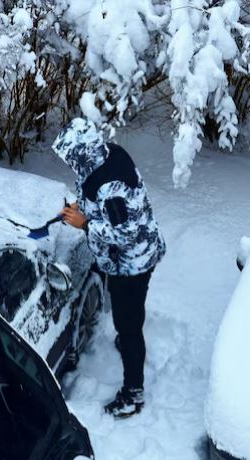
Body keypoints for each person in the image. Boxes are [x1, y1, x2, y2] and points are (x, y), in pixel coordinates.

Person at [52, 118, 166, 418]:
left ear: (82, 153)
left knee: (129, 325)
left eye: (70, 158)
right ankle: (128, 340)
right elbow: (95, 195)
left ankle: (133, 394)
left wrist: (85, 223)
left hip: (132, 264)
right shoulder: (106, 155)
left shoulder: (111, 186)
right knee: (127, 316)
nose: (69, 163)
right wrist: (81, 208)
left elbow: (125, 232)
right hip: (125, 258)